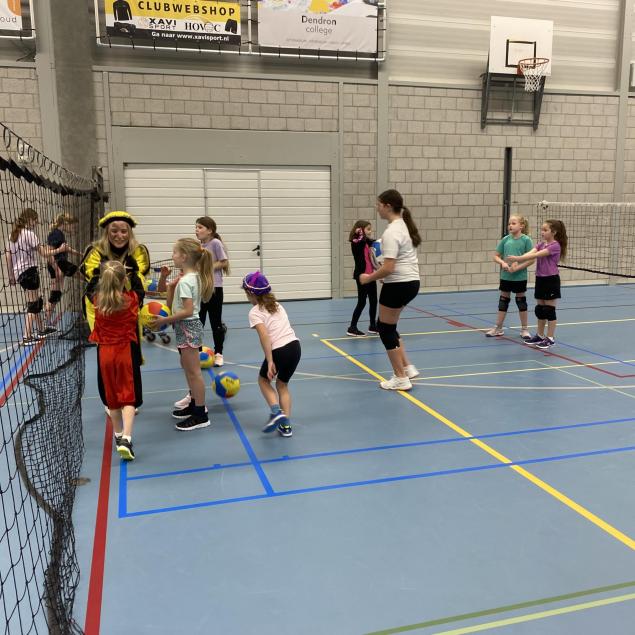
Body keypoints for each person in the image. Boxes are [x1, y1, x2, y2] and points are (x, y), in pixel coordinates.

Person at [359, 189, 421, 391]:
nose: (377, 208)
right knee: (390, 327)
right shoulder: (403, 226)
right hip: (411, 282)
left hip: (399, 284)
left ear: (387, 206)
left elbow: (389, 267)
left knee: (385, 329)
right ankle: (407, 368)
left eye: (378, 204)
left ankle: (400, 377)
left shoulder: (392, 232)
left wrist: (368, 278)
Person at [153, 238, 214, 431]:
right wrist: (169, 284)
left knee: (194, 372)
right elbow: (168, 301)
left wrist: (164, 321)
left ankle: (200, 414)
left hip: (188, 326)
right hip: (184, 327)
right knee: (187, 367)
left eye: (175, 252)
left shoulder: (187, 281)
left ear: (184, 256)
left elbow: (188, 311)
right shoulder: (188, 277)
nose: (172, 256)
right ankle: (194, 403)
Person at [88, 261, 142, 461]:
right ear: (124, 279)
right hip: (123, 352)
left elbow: (90, 288)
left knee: (112, 398)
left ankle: (118, 436)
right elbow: (138, 292)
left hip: (105, 354)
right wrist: (129, 277)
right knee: (128, 397)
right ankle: (126, 438)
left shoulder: (97, 300)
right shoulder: (131, 299)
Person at [242, 271, 301, 438]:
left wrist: (270, 361)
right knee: (282, 385)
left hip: (279, 350)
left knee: (263, 381)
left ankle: (276, 412)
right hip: (295, 347)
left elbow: (264, 336)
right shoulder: (277, 305)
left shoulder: (255, 312)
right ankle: (286, 425)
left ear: (251, 293)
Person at [6, 208, 68, 346]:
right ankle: (26, 337)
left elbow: (8, 256)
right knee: (33, 305)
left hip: (19, 274)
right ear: (29, 220)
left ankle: (41, 329)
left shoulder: (13, 235)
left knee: (36, 300)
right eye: (35, 220)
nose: (37, 223)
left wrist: (11, 275)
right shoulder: (29, 234)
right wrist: (60, 249)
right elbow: (44, 254)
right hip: (30, 272)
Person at [80, 210, 150, 331]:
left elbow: (139, 280)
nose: (119, 235)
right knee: (104, 340)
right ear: (107, 232)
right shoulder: (95, 251)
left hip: (129, 307)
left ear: (129, 233)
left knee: (130, 341)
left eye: (124, 231)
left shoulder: (138, 250)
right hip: (101, 306)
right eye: (114, 231)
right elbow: (92, 279)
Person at [506, 219, 568, 350]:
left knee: (549, 310)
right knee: (540, 310)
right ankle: (540, 335)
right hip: (540, 279)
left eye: (545, 230)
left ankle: (550, 338)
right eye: (542, 230)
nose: (542, 232)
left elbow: (536, 255)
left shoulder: (555, 246)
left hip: (551, 280)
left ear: (554, 232)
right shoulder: (541, 244)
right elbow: (530, 253)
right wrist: (518, 260)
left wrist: (517, 259)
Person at [485, 214, 533, 341]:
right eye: (509, 223)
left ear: (521, 226)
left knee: (521, 301)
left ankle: (524, 329)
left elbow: (531, 260)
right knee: (503, 301)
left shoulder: (526, 240)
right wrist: (502, 263)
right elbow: (495, 256)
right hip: (506, 276)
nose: (510, 226)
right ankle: (498, 328)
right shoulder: (505, 239)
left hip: (519, 277)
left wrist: (517, 268)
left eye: (513, 223)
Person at [196, 216, 229, 365]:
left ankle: (219, 353)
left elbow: (224, 262)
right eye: (196, 227)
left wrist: (207, 268)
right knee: (198, 322)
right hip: (200, 289)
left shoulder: (215, 243)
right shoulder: (198, 246)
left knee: (216, 323)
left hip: (215, 288)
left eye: (200, 227)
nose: (197, 230)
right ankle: (197, 352)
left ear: (209, 230)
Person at [45, 212, 81, 326]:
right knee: (54, 295)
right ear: (66, 223)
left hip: (62, 264)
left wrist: (81, 254)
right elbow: (49, 252)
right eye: (73, 227)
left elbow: (66, 249)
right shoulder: (56, 234)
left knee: (56, 295)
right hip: (58, 265)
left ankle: (47, 322)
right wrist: (56, 269)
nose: (74, 229)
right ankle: (45, 323)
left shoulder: (60, 234)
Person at [347, 220, 378, 337]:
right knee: (362, 302)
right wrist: (359, 233)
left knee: (374, 301)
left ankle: (373, 326)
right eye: (368, 229)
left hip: (371, 275)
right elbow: (359, 240)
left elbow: (373, 242)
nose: (370, 231)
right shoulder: (356, 242)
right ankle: (352, 327)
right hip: (362, 276)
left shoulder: (366, 242)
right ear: (360, 230)